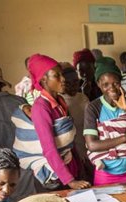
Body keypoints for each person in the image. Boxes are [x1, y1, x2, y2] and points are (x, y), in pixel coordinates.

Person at [84, 57, 126, 185]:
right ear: (98, 84)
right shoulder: (93, 107)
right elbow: (92, 145)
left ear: (121, 82)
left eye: (115, 83)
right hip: (105, 173)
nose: (112, 88)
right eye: (106, 84)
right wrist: (125, 138)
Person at [28, 53, 90, 190]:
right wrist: (70, 181)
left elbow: (69, 142)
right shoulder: (40, 107)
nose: (63, 79)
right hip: (56, 177)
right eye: (57, 76)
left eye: (61, 74)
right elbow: (49, 149)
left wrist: (79, 167)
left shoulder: (60, 102)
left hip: (71, 168)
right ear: (44, 79)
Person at [60, 62, 94, 183]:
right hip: (72, 152)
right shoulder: (60, 102)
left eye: (75, 82)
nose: (73, 86)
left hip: (87, 148)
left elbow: (91, 123)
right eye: (67, 84)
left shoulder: (82, 98)